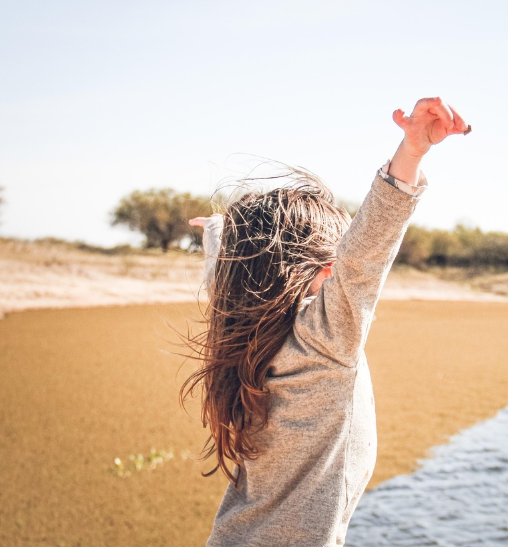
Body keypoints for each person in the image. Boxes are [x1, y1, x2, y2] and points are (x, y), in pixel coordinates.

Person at [183, 97, 469, 547]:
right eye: (333, 255)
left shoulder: (241, 330)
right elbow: (363, 257)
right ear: (324, 265)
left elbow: (230, 275)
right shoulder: (322, 341)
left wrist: (221, 233)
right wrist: (410, 154)